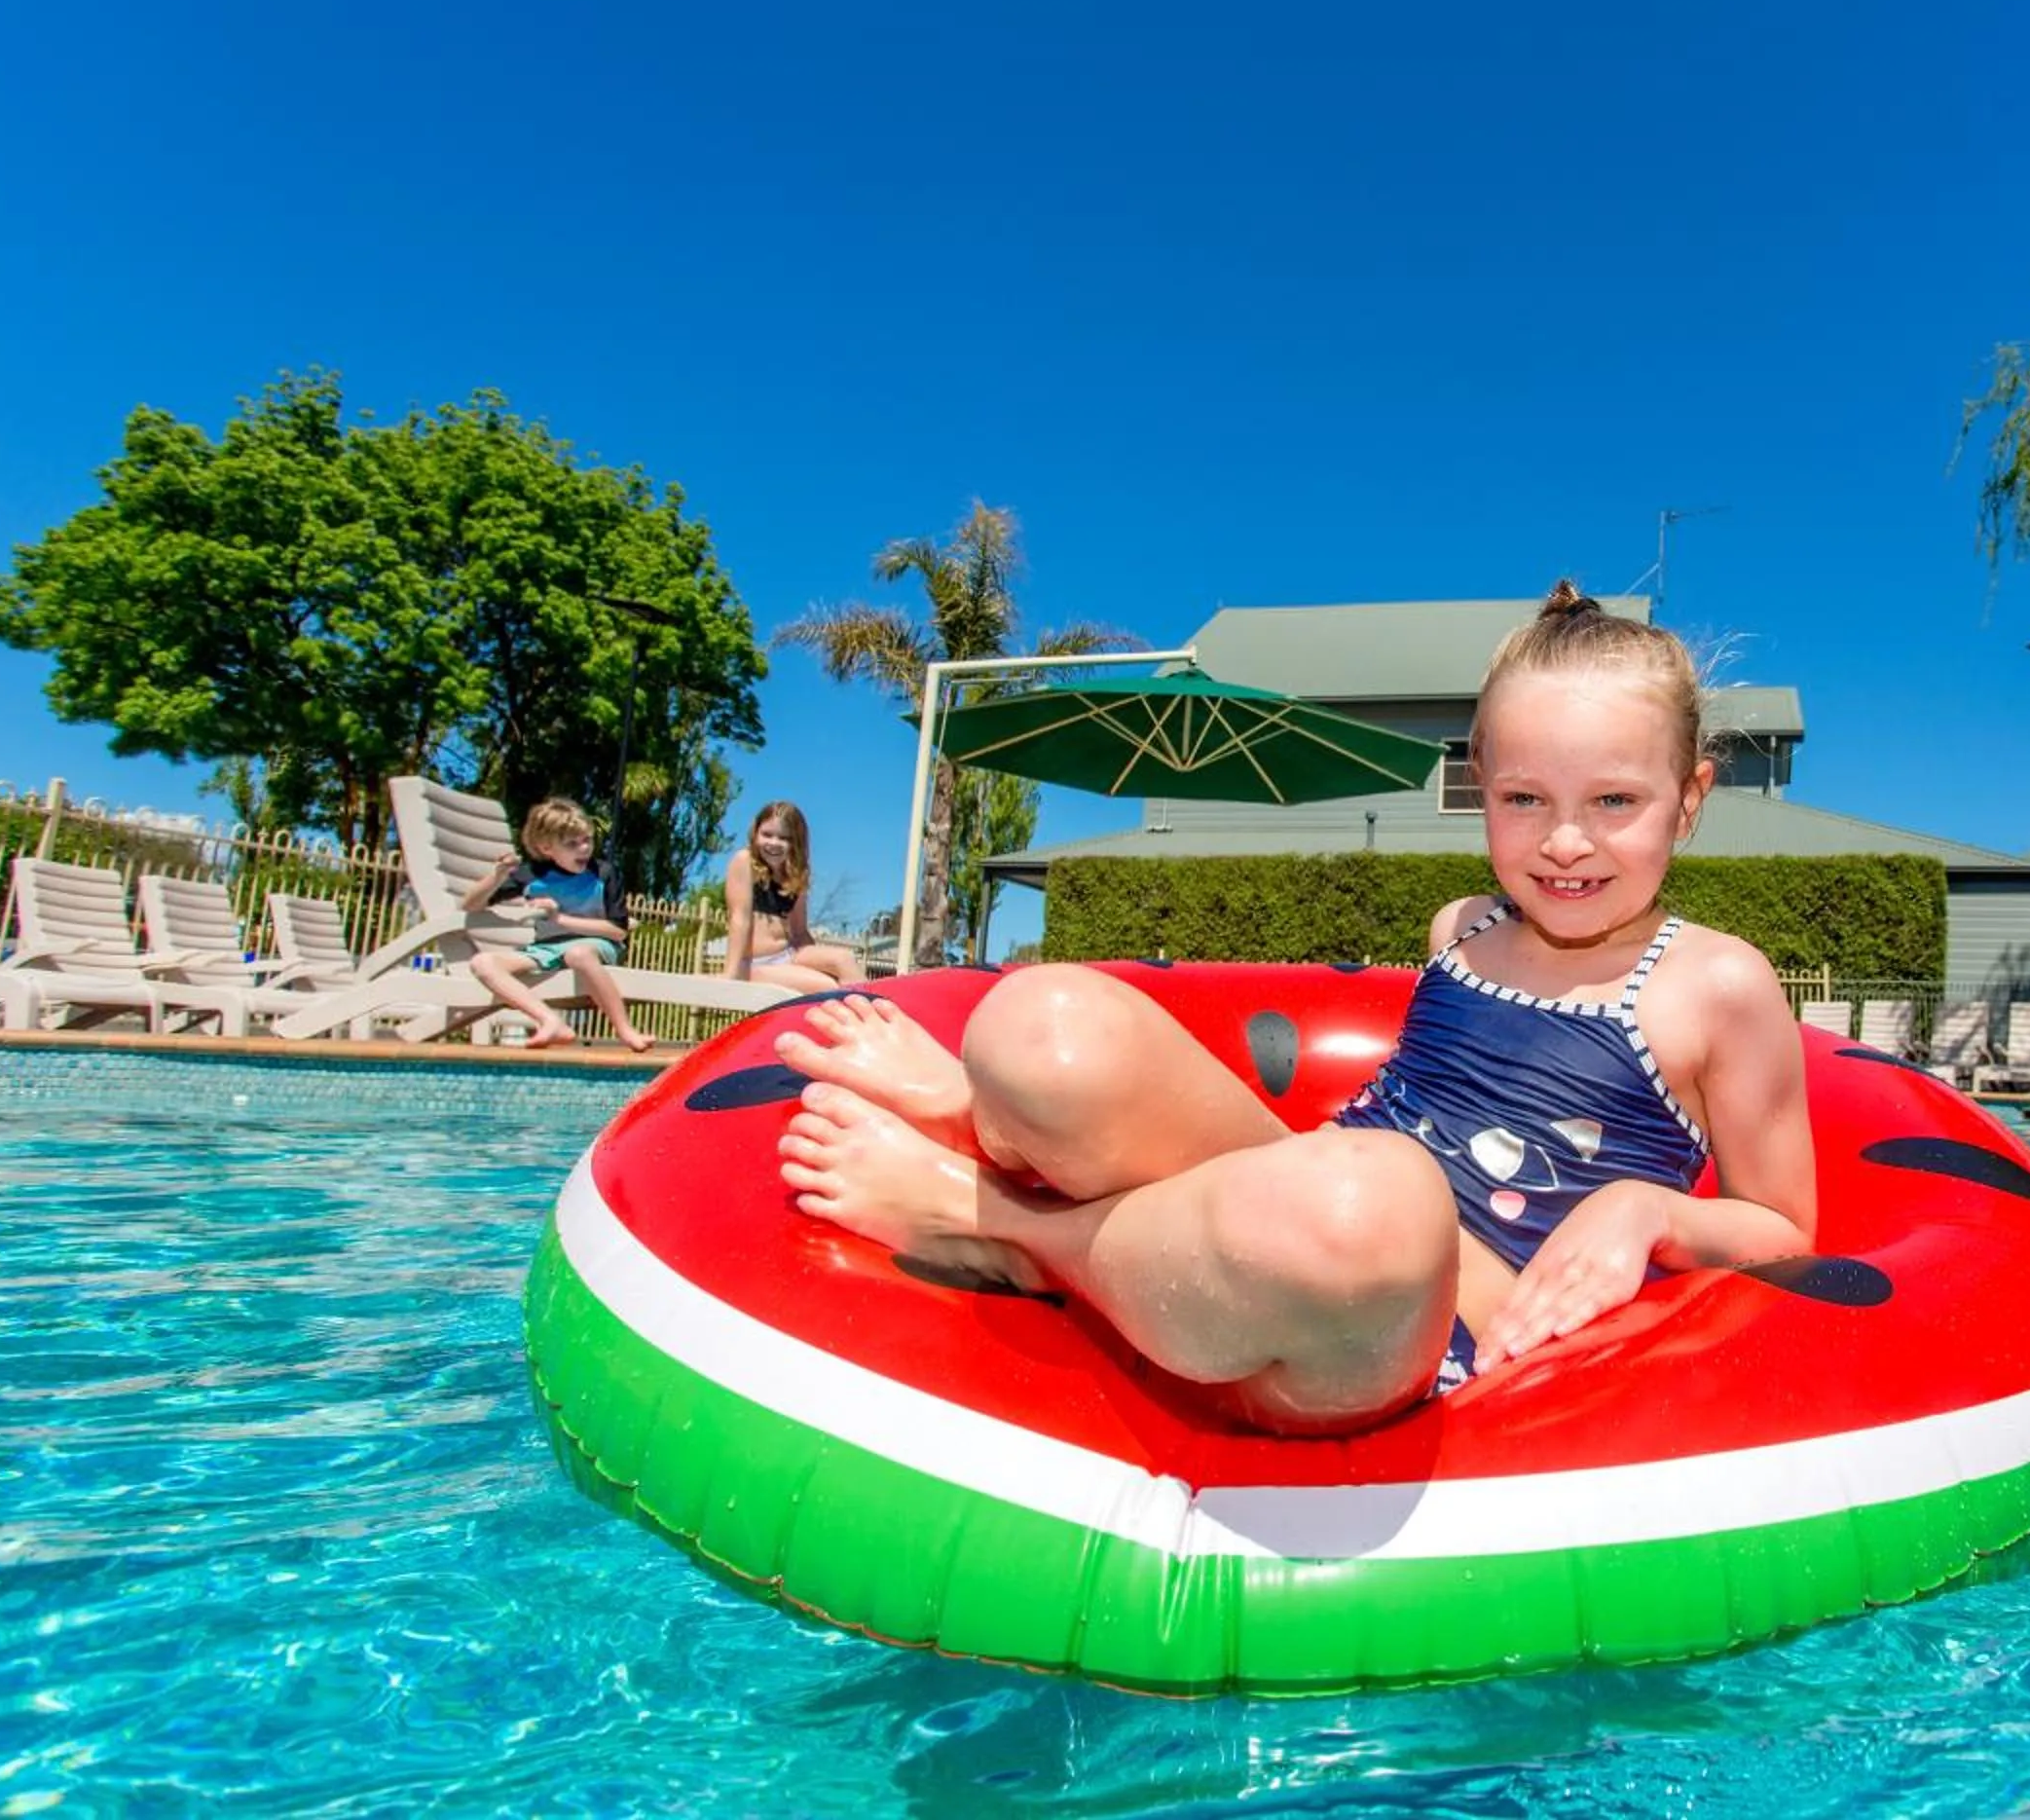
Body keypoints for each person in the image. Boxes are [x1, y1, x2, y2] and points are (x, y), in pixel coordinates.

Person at [774, 580, 1816, 1433]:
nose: (1565, 840)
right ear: (1479, 787)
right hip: (1304, 1194)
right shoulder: (1461, 927)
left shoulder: (1719, 986)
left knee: (1377, 1202)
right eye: (1524, 798)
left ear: (1691, 795)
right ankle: (986, 1111)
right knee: (1043, 1026)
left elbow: (1789, 1228)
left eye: (1615, 801)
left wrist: (1647, 1209)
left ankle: (1000, 1224)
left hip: (1401, 1318)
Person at [460, 796, 653, 1054]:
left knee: (578, 954)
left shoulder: (604, 873)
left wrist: (560, 918)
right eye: (572, 844)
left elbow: (617, 930)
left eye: (588, 840)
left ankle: (625, 1030)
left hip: (596, 946)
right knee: (483, 963)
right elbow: (471, 905)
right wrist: (498, 875)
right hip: (545, 949)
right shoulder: (531, 875)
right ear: (547, 847)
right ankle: (549, 1020)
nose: (583, 849)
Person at [722, 800, 867, 995]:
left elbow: (799, 933)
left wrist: (816, 965)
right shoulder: (745, 861)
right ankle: (863, 1008)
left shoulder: (796, 874)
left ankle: (874, 1008)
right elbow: (739, 918)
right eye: (766, 834)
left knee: (844, 959)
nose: (773, 843)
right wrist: (731, 974)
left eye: (784, 838)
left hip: (788, 955)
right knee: (831, 988)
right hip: (756, 963)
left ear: (796, 842)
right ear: (755, 833)